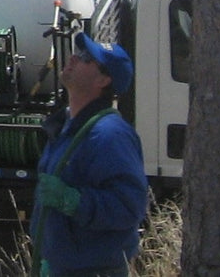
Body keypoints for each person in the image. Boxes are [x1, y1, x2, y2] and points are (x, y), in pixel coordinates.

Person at [30, 31, 147, 277]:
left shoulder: (109, 134)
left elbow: (130, 207)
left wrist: (73, 201)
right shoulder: (66, 127)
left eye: (84, 58)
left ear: (103, 80)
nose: (72, 58)